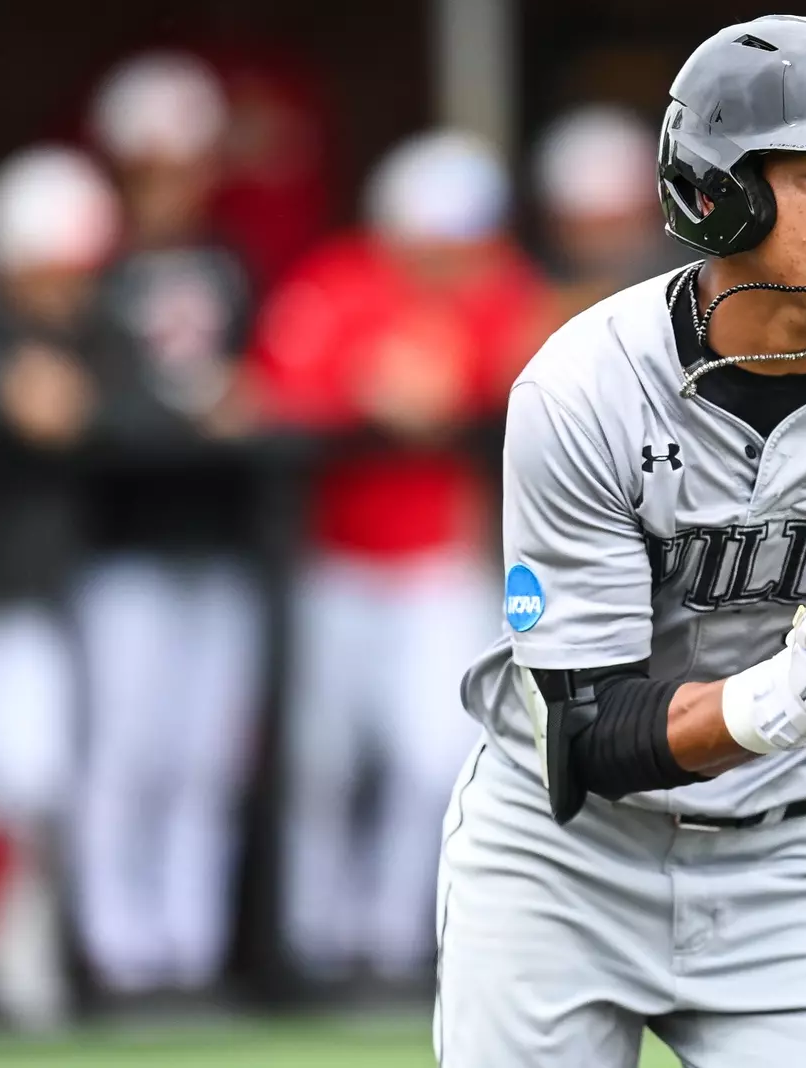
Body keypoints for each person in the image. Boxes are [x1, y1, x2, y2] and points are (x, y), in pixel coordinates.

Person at [436, 16, 806, 1067]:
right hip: (561, 859)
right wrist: (785, 691)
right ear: (721, 189)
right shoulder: (583, 388)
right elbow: (592, 732)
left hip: (784, 862)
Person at [252, 130, 548, 985]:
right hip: (333, 561)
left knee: (433, 760)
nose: (447, 258)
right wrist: (364, 388)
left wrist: (451, 384)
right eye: (432, 239)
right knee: (322, 763)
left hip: (441, 561)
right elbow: (274, 390)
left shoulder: (501, 286)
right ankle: (313, 940)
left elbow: (537, 367)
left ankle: (395, 940)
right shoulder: (337, 280)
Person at [72, 50, 264, 1000]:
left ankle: (187, 953)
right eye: (155, 158)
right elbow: (79, 398)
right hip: (121, 546)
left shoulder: (231, 264)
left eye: (187, 158)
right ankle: (116, 953)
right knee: (123, 753)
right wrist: (185, 415)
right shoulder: (89, 268)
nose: (174, 178)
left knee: (205, 757)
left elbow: (274, 375)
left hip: (219, 542)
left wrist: (249, 403)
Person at [0, 147, 164, 1029]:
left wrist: (70, 405)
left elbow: (147, 410)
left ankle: (16, 973)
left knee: (29, 785)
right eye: (57, 270)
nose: (74, 288)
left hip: (16, 606)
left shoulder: (91, 335)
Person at [531, 104, 685, 321]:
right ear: (556, 226)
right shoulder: (530, 313)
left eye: (618, 225)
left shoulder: (699, 302)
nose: (606, 244)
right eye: (588, 228)